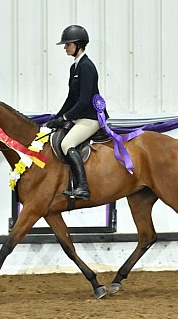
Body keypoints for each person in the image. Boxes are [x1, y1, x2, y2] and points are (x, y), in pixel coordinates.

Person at [47, 25, 108, 201]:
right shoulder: (75, 68)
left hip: (90, 117)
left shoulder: (87, 67)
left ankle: (83, 187)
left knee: (67, 144)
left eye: (68, 44)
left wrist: (66, 117)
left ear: (78, 45)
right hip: (80, 116)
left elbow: (83, 100)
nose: (65, 48)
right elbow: (71, 98)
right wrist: (57, 117)